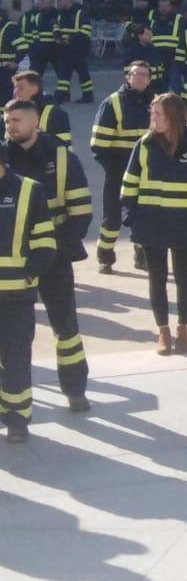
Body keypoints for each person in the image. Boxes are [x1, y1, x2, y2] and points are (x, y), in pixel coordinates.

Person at [4, 98, 93, 411]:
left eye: (16, 120)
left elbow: (80, 212)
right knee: (13, 337)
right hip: (11, 265)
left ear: (35, 122)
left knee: (66, 328)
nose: (9, 126)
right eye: (7, 120)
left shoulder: (63, 157)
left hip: (53, 259)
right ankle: (14, 399)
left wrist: (55, 250)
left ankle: (75, 390)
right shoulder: (4, 158)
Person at [122, 92, 187, 354]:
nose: (152, 118)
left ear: (173, 116)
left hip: (185, 223)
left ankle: (183, 329)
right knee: (156, 278)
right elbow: (130, 183)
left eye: (157, 114)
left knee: (183, 277)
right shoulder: (143, 145)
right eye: (152, 114)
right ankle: (163, 331)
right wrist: (130, 215)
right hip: (151, 223)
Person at [0, 144, 58, 441]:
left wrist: (30, 272)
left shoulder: (28, 190)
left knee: (17, 357)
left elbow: (45, 241)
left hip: (16, 296)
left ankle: (17, 418)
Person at [89, 60, 153, 273]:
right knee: (113, 216)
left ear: (150, 79)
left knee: (143, 214)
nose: (139, 78)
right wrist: (116, 169)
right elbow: (98, 145)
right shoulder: (112, 103)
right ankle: (105, 257)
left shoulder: (156, 103)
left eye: (144, 74)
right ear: (128, 77)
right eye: (135, 74)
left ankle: (141, 255)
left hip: (147, 172)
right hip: (118, 172)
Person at [51, 0, 93, 104]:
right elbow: (55, 27)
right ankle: (60, 96)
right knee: (63, 73)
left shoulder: (81, 13)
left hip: (79, 49)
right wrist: (58, 38)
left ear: (68, 0)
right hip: (64, 49)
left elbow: (86, 31)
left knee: (83, 74)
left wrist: (71, 39)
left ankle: (88, 95)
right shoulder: (60, 14)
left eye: (61, 1)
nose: (59, 3)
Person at [13, 70, 70, 145]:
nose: (15, 92)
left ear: (35, 89)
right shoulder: (11, 113)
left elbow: (63, 149)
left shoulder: (55, 114)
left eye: (21, 88)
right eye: (15, 88)